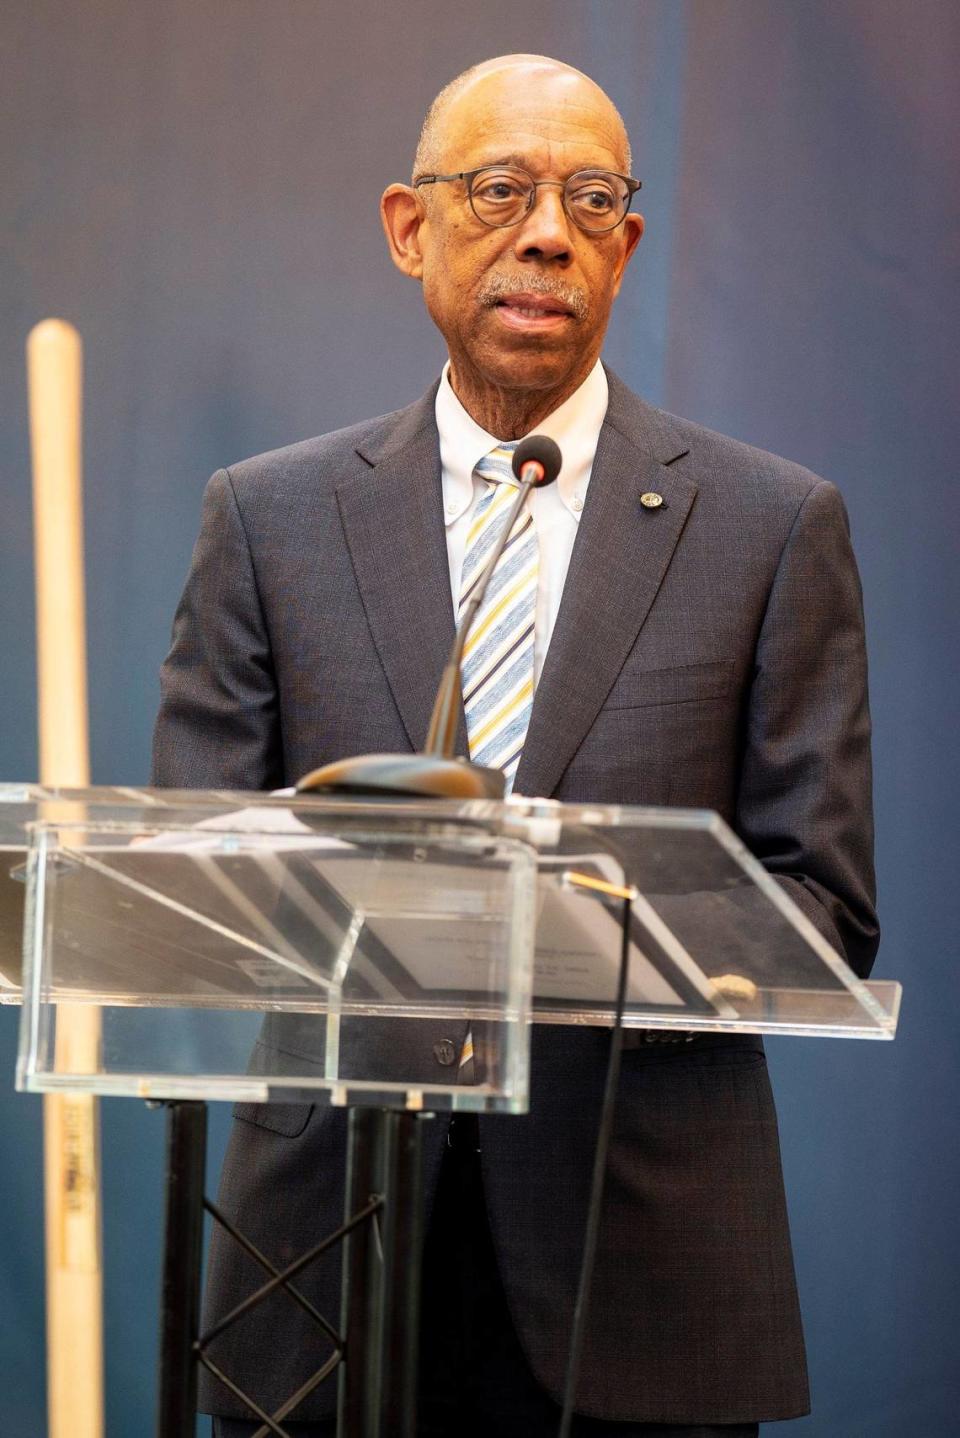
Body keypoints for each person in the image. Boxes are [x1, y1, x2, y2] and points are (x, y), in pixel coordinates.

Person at [152, 54, 878, 1438]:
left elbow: (822, 910)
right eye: (501, 189)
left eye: (590, 198)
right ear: (409, 227)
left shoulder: (770, 528)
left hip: (639, 1260)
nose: (548, 230)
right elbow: (192, 876)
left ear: (627, 246)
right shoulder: (270, 518)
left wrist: (544, 919)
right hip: (324, 1253)